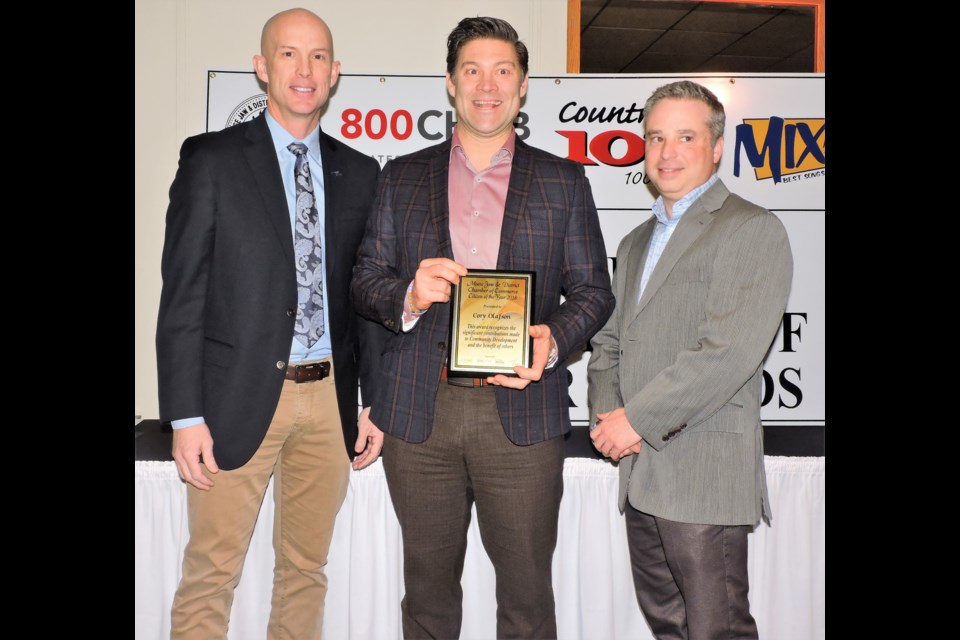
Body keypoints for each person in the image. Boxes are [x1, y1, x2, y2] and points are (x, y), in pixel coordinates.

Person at [351, 16, 614, 639]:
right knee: (427, 599)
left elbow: (593, 292)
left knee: (526, 601)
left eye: (503, 71)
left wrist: (552, 342)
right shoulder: (401, 177)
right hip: (420, 415)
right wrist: (409, 294)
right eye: (472, 70)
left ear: (523, 87)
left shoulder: (562, 180)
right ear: (450, 83)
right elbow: (366, 279)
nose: (487, 85)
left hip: (521, 412)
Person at [155, 8, 385, 639]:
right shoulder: (210, 160)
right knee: (212, 572)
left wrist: (371, 402)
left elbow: (363, 300)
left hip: (330, 402)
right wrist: (184, 415)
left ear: (335, 72)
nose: (303, 70)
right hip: (233, 401)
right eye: (288, 54)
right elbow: (182, 297)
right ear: (262, 67)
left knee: (306, 570)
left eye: (317, 57)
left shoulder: (361, 172)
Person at [587, 80, 793, 639]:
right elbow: (608, 345)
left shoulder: (752, 228)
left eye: (685, 137)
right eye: (656, 137)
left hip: (703, 471)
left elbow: (727, 354)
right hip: (640, 470)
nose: (667, 152)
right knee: (668, 626)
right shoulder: (634, 241)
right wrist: (610, 421)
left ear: (717, 146)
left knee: (715, 629)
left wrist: (635, 421)